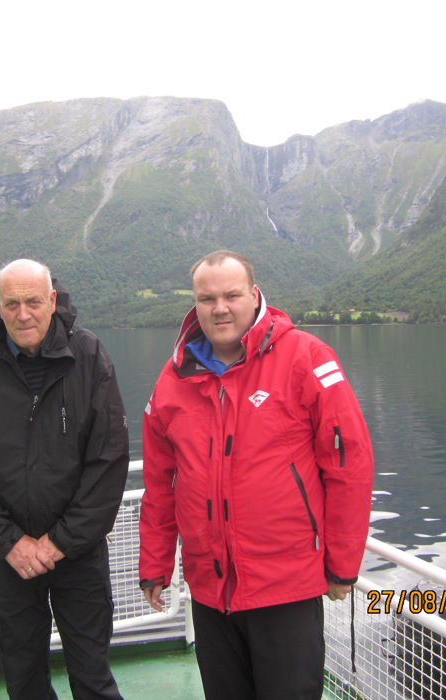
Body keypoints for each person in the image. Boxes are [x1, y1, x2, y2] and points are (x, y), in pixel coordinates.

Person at [138, 250, 374, 700]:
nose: (220, 308)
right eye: (207, 299)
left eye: (231, 295)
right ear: (194, 303)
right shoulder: (174, 378)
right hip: (210, 588)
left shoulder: (306, 357)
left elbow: (349, 464)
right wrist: (155, 563)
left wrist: (342, 564)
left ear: (254, 294)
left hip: (285, 585)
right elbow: (160, 482)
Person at [0, 259, 129, 700]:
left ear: (52, 300)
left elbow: (108, 460)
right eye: (12, 304)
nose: (23, 314)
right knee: (23, 678)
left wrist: (61, 541)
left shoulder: (88, 357)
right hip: (12, 559)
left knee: (93, 675)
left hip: (78, 554)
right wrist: (10, 543)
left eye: (33, 302)